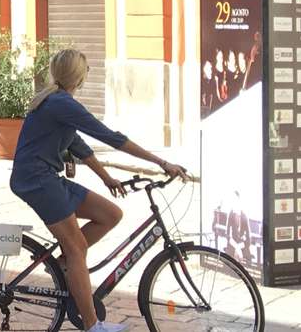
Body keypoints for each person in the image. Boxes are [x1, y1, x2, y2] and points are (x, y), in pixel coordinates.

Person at [11, 48, 187, 332]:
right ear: (79, 77)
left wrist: (107, 178)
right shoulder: (60, 103)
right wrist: (161, 162)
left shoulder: (59, 102)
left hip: (46, 178)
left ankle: (64, 264)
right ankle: (93, 325)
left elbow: (78, 145)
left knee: (110, 214)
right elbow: (111, 137)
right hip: (37, 180)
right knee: (78, 247)